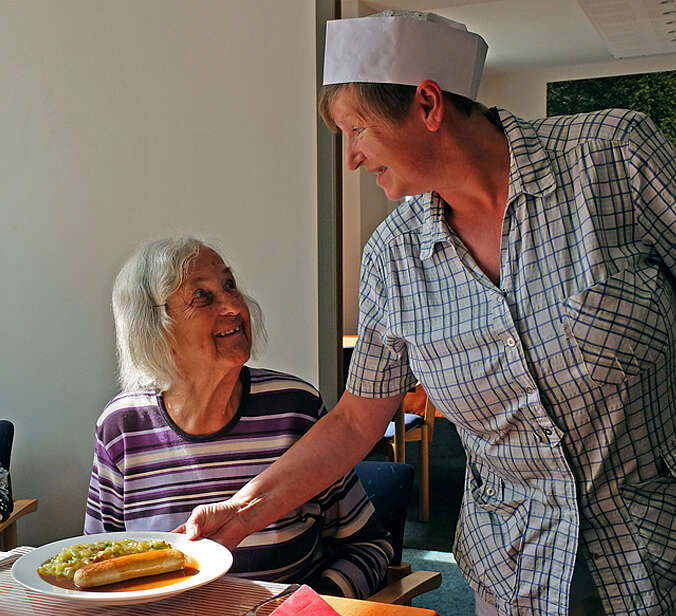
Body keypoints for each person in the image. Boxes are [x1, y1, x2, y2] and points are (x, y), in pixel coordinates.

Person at [179, 11, 676, 616]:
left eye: (357, 129)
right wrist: (243, 511)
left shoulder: (613, 160)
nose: (352, 158)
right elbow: (356, 421)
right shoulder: (393, 258)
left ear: (428, 105)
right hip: (516, 573)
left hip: (654, 551)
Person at [83, 236, 393, 599]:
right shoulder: (122, 427)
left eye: (230, 285)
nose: (233, 305)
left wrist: (310, 605)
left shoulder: (294, 407)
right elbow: (100, 567)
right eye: (202, 296)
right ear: (155, 328)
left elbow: (370, 547)